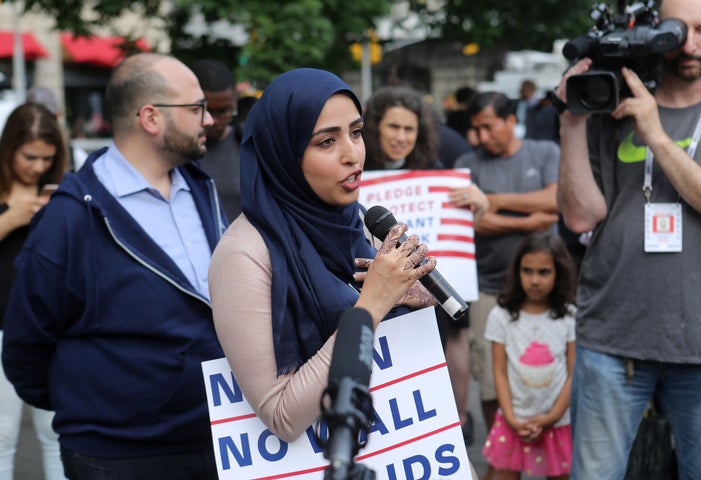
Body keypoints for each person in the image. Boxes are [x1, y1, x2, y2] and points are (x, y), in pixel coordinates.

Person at [2, 52, 226, 480]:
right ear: (150, 117)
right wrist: (97, 409)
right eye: (196, 108)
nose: (209, 120)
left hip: (217, 438)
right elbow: (25, 347)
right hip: (116, 456)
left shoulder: (201, 189)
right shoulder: (69, 218)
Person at [208, 68, 438, 443]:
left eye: (357, 132)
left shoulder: (360, 220)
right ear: (284, 153)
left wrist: (413, 302)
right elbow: (281, 417)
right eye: (326, 142)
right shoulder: (243, 254)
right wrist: (371, 307)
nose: (352, 154)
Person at [555, 0, 701, 477]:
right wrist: (571, 122)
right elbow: (581, 216)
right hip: (613, 338)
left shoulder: (645, 116)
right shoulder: (613, 105)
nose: (688, 44)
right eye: (675, 29)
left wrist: (658, 136)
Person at [362, 84, 488, 449]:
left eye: (409, 129)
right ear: (374, 128)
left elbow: (458, 231)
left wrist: (479, 205)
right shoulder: (356, 174)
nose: (402, 137)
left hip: (428, 300)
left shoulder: (435, 174)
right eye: (393, 127)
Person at [453, 90, 559, 480]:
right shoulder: (467, 162)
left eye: (488, 126)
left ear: (511, 120)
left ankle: (539, 451)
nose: (480, 137)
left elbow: (556, 199)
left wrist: (492, 201)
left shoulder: (544, 152)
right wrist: (529, 220)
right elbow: (471, 221)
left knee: (545, 373)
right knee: (491, 385)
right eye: (475, 128)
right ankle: (503, 454)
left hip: (545, 293)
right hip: (488, 289)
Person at [0, 103, 67, 480]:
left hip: (50, 327)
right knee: (2, 434)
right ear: (9, 148)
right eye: (30, 156)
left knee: (55, 433)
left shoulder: (63, 190)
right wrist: (10, 217)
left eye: (47, 157)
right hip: (0, 325)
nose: (38, 167)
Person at [482, 232, 575, 480]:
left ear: (559, 273)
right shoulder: (501, 316)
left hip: (557, 422)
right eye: (527, 271)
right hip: (513, 421)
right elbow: (499, 372)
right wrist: (511, 418)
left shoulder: (569, 318)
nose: (534, 280)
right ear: (517, 271)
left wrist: (551, 417)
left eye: (544, 272)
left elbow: (574, 373)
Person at [188, 58, 242, 221]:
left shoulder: (248, 144)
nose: (215, 121)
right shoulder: (173, 152)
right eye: (206, 110)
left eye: (225, 111)